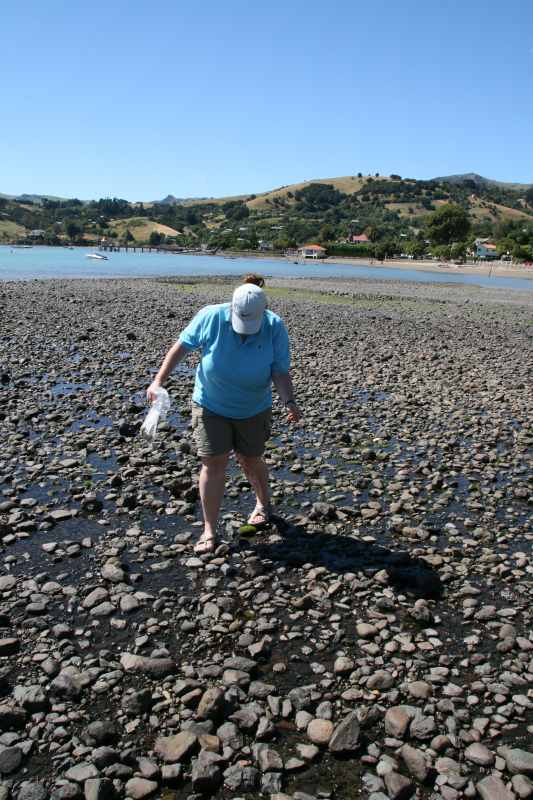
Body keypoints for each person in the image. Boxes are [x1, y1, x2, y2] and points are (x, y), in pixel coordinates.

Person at [146, 275, 301, 554]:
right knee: (213, 463)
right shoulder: (211, 316)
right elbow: (181, 347)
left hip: (254, 408)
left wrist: (289, 401)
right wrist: (158, 381)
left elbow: (279, 370)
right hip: (210, 404)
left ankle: (264, 504)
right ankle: (209, 529)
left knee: (250, 459)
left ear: (263, 312)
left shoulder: (274, 325)